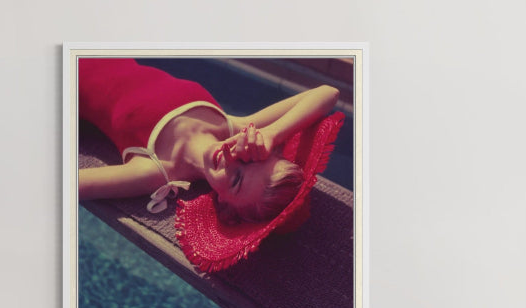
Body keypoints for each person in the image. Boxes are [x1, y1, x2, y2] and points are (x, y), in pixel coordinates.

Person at [77, 58, 344, 272]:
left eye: (237, 179)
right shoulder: (234, 126)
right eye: (252, 156)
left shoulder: (155, 169)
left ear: (224, 206)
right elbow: (327, 93)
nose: (232, 157)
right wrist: (272, 134)